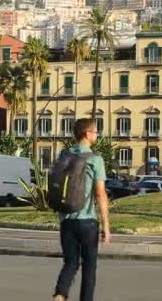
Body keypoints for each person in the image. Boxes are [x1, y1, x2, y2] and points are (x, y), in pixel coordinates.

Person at [53, 119, 110, 301]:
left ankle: (60, 295)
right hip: (87, 222)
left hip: (66, 220)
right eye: (95, 132)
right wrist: (106, 226)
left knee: (70, 263)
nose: (97, 135)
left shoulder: (64, 156)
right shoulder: (95, 159)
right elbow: (100, 194)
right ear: (87, 134)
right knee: (89, 267)